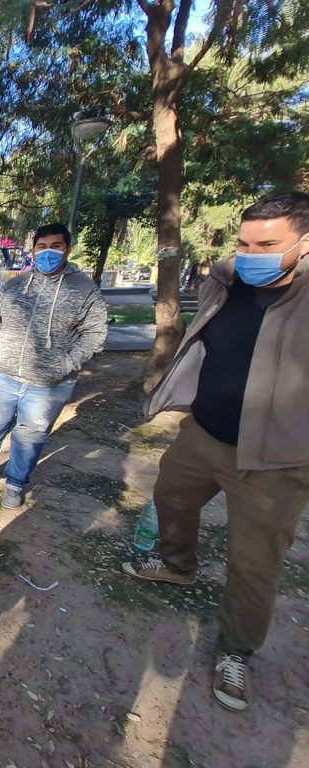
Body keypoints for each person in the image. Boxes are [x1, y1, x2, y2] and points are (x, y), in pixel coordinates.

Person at [122, 192, 309, 713]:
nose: (251, 253)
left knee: (254, 562)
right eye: (245, 242)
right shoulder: (226, 285)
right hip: (203, 434)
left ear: (305, 243)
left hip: (275, 459)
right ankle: (179, 564)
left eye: (267, 244)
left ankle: (236, 651)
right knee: (170, 496)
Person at [0, 223, 107, 509]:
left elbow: (94, 334)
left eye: (56, 247)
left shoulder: (84, 289)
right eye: (42, 246)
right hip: (1, 375)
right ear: (33, 250)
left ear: (67, 250)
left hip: (49, 384)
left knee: (30, 436)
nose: (48, 253)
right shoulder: (16, 285)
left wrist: (65, 364)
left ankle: (14, 484)